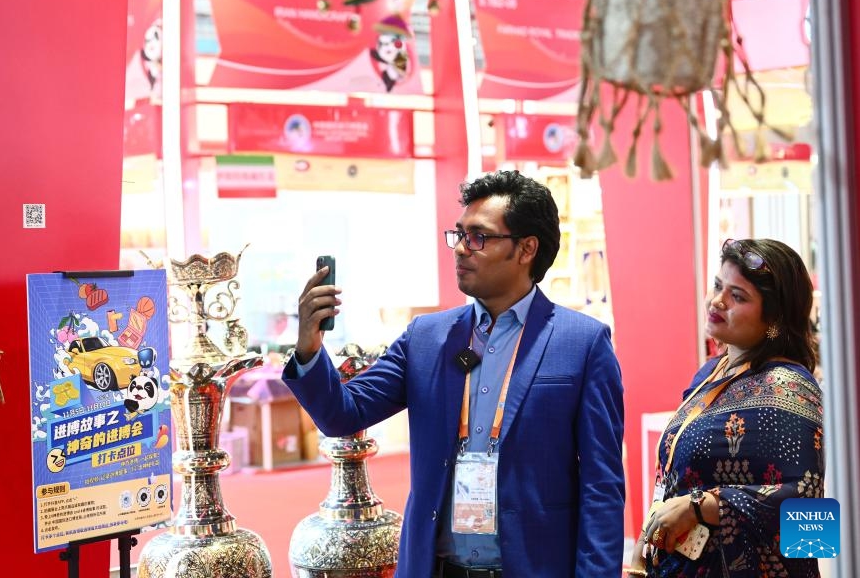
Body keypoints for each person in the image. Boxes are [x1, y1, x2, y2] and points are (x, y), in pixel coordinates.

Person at [283, 170, 625, 578]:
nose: (461, 249)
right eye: (458, 234)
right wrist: (309, 348)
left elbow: (601, 487)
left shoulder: (582, 344)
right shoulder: (427, 338)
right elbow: (342, 413)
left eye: (479, 237)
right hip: (437, 567)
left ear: (526, 249)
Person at [630, 238, 824, 578]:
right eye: (719, 285)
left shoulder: (789, 385)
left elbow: (813, 523)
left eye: (738, 296)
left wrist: (705, 506)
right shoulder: (711, 372)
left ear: (774, 319)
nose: (717, 301)